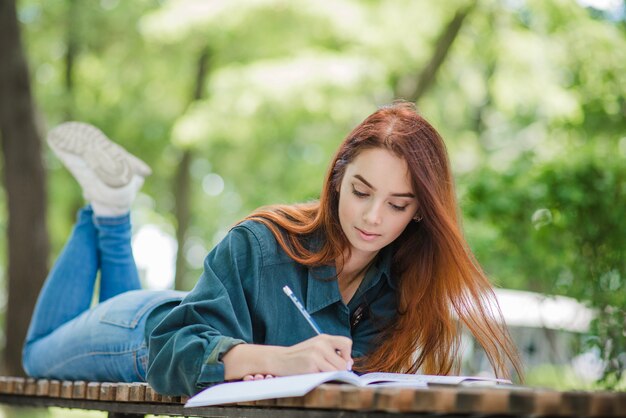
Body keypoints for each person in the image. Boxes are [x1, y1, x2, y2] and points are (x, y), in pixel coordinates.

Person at [22, 102, 523, 397]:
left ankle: (110, 202)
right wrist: (282, 360)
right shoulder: (263, 243)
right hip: (149, 333)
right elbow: (170, 350)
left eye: (397, 204)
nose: (373, 218)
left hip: (190, 324)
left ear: (419, 211)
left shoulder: (400, 286)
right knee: (34, 356)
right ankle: (106, 210)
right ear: (336, 179)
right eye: (361, 191)